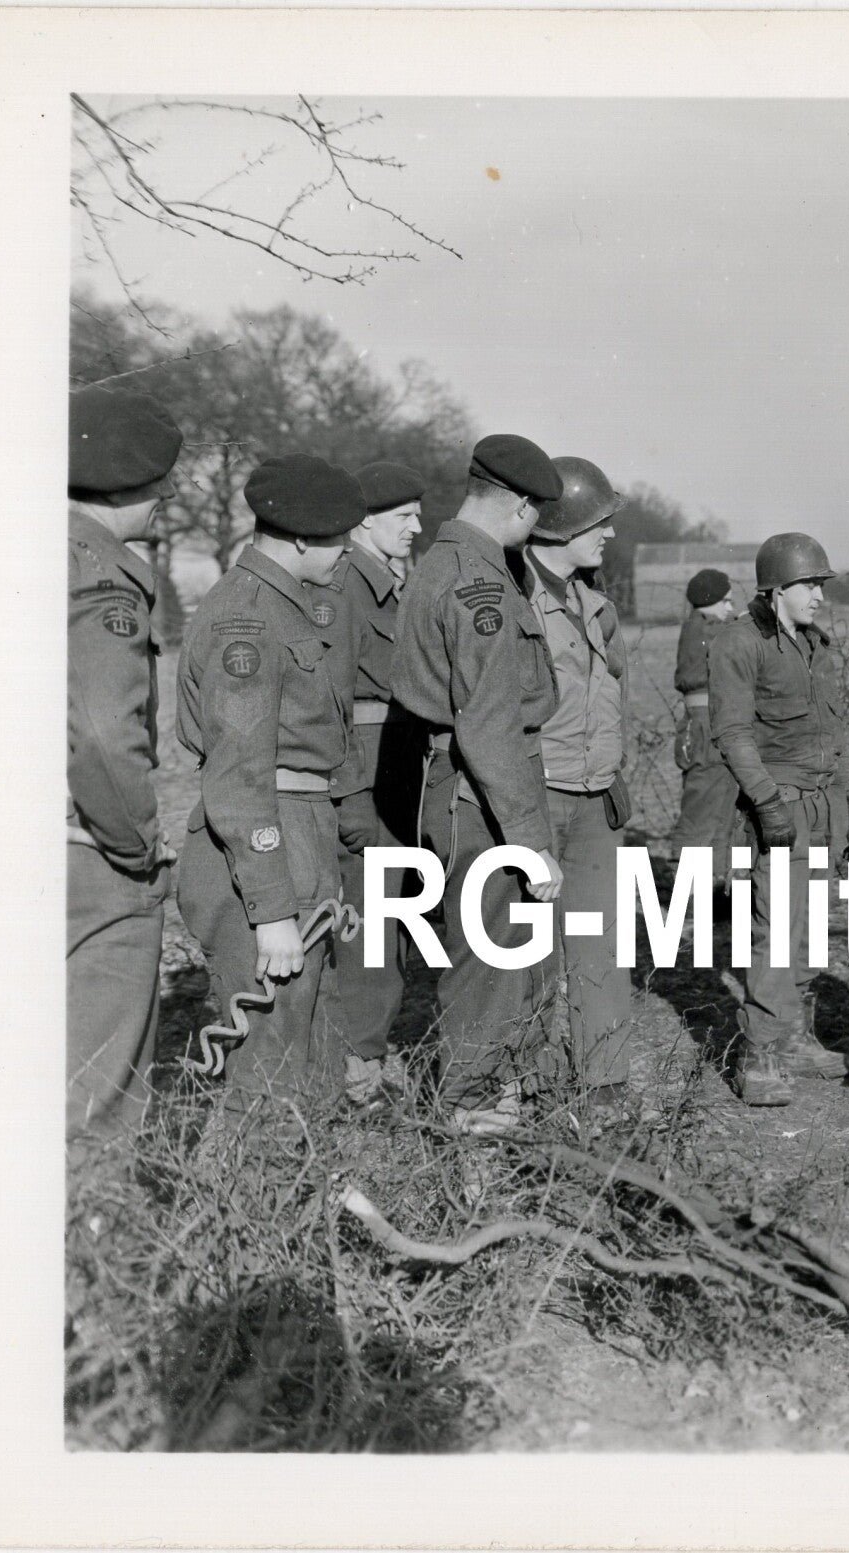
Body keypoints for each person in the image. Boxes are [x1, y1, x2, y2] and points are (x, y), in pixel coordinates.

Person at [175, 455, 366, 1103]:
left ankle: (292, 1195)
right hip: (265, 844)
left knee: (300, 1046)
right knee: (269, 1066)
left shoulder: (283, 607)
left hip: (295, 832)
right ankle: (248, 1200)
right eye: (340, 536)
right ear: (303, 538)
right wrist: (273, 909)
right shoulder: (250, 619)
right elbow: (238, 772)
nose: (348, 550)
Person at [390, 434, 564, 1133]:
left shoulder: (451, 563)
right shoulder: (481, 582)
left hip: (474, 787)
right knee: (487, 969)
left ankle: (496, 1113)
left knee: (502, 961)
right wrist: (528, 842)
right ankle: (471, 1138)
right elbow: (488, 727)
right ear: (520, 505)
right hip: (481, 794)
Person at [66, 385, 184, 1142]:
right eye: (157, 481)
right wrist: (138, 846)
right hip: (88, 852)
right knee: (98, 1095)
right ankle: (99, 1253)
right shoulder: (104, 575)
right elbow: (106, 738)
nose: (166, 497)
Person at [707, 533, 849, 1106]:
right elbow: (733, 734)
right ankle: (760, 1053)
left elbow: (833, 731)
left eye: (822, 583)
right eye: (809, 584)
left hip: (826, 805)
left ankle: (795, 1035)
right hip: (783, 804)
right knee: (777, 932)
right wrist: (767, 804)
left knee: (813, 927)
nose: (820, 594)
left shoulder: (816, 644)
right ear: (776, 589)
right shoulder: (738, 643)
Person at [522, 457, 637, 1107]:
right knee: (526, 952)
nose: (609, 535)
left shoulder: (595, 604)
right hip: (536, 795)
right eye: (599, 522)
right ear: (559, 527)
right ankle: (528, 1082)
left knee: (600, 941)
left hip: (594, 795)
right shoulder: (513, 600)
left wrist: (613, 769)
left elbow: (609, 693)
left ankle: (605, 1083)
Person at [324, 461, 428, 1106]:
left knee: (392, 912)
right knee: (368, 915)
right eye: (402, 517)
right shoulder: (344, 583)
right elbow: (329, 698)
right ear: (364, 520)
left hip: (398, 750)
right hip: (364, 754)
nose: (417, 527)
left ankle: (369, 1046)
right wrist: (353, 789)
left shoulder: (392, 579)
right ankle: (357, 1060)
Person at [667, 568, 740, 866]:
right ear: (710, 602)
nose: (730, 609)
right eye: (726, 602)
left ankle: (714, 885)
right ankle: (690, 886)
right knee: (701, 807)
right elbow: (731, 634)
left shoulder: (703, 628)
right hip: (706, 724)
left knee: (722, 805)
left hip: (712, 721)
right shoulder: (702, 629)